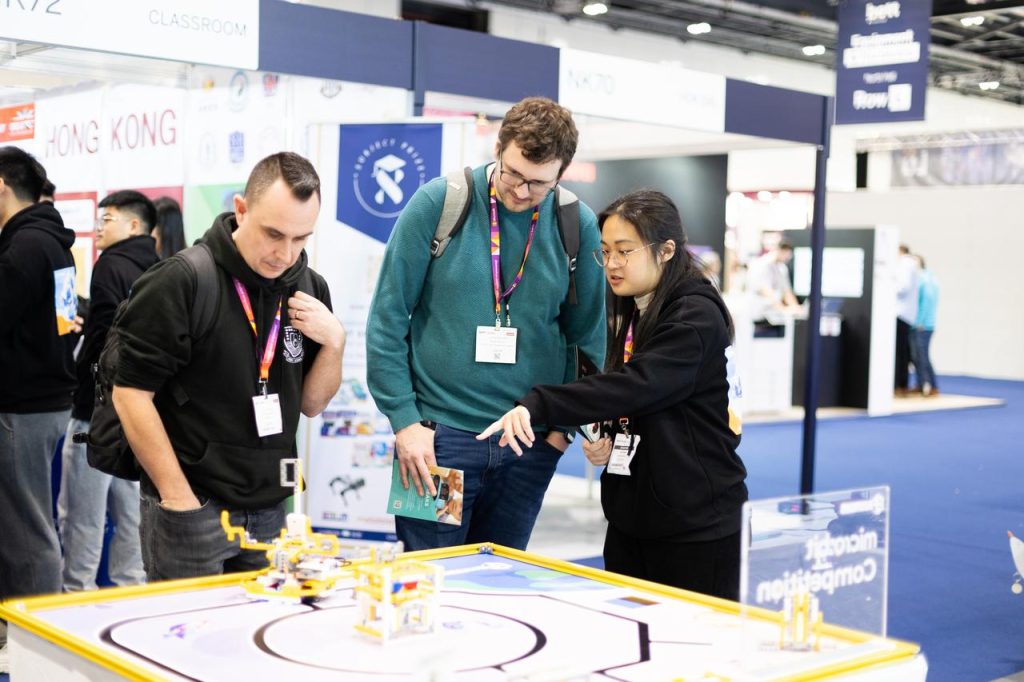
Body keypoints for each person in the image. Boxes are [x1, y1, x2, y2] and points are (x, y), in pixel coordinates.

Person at [479, 190, 748, 600]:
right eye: (605, 251)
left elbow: (639, 384)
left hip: (695, 526)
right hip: (634, 518)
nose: (612, 264)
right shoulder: (637, 304)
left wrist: (539, 403)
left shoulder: (695, 316)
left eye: (625, 251)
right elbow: (634, 391)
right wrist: (606, 431)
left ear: (667, 250)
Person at [366, 96, 606, 552]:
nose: (520, 191)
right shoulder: (439, 202)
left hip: (527, 447)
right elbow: (387, 318)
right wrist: (404, 422)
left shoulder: (576, 223)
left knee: (499, 585)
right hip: (437, 444)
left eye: (538, 183)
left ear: (562, 173)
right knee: (429, 577)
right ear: (499, 147)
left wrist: (559, 432)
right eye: (513, 173)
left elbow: (588, 336)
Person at [111, 152, 345, 581]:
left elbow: (311, 404)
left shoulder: (309, 288)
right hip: (193, 508)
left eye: (301, 239)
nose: (285, 253)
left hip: (271, 508)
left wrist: (335, 342)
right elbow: (129, 393)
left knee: (254, 640)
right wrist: (177, 496)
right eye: (273, 234)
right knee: (183, 638)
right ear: (241, 210)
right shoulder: (182, 280)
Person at [58, 191, 159, 591]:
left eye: (108, 219)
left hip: (95, 410)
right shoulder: (163, 267)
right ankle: (129, 591)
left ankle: (75, 595)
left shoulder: (110, 266)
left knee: (83, 513)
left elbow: (100, 337)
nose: (99, 227)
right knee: (131, 514)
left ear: (134, 225)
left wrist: (79, 382)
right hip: (141, 412)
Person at [0, 147, 77, 667]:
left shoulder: (22, 250)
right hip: (45, 402)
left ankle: (38, 636)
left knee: (25, 531)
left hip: (22, 408)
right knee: (24, 524)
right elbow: (67, 324)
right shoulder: (54, 245)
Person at [746, 239, 799, 321]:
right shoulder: (760, 265)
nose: (787, 258)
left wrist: (795, 307)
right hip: (759, 313)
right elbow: (766, 291)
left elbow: (787, 291)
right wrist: (782, 308)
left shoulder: (782, 268)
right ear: (778, 250)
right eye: (786, 254)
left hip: (774, 312)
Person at [894, 244, 920, 397]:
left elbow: (902, 287)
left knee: (900, 353)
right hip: (905, 314)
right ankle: (901, 384)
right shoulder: (910, 266)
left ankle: (900, 385)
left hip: (900, 314)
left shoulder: (905, 265)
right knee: (903, 352)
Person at [911, 255, 939, 397]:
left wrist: (920, 322)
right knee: (917, 356)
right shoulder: (926, 278)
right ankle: (921, 383)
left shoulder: (924, 279)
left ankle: (931, 386)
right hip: (922, 323)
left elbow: (926, 302)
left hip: (923, 325)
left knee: (922, 356)